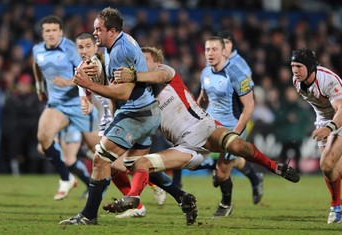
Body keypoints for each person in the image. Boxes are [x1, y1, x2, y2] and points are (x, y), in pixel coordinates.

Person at [101, 46, 300, 221]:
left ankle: (275, 167)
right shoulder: (138, 91)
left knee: (237, 146)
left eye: (145, 60)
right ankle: (134, 197)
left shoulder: (165, 71)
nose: (141, 64)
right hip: (182, 146)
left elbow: (160, 77)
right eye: (138, 62)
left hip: (203, 128)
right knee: (140, 163)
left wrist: (133, 75)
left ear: (158, 62)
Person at [59, 8, 186, 226]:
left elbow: (123, 92)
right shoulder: (116, 44)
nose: (95, 33)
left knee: (101, 158)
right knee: (134, 164)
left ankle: (89, 215)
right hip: (143, 111)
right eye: (94, 29)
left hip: (137, 113)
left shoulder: (120, 51)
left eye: (98, 29)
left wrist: (89, 85)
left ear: (112, 30)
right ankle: (183, 197)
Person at [32, 15, 98, 200]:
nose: (51, 34)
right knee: (43, 139)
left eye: (54, 30)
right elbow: (36, 64)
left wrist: (68, 82)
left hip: (79, 104)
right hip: (56, 105)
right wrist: (39, 86)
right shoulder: (37, 50)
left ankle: (147, 179)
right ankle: (66, 178)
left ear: (61, 32)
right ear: (43, 33)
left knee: (102, 151)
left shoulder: (71, 48)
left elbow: (86, 72)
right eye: (47, 31)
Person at [197, 31, 264, 216]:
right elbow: (203, 99)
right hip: (211, 126)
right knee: (187, 154)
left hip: (232, 128)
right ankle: (253, 175)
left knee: (221, 173)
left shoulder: (237, 72)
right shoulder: (205, 72)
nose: (210, 53)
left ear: (225, 51)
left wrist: (235, 133)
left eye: (215, 49)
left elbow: (249, 106)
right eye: (207, 49)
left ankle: (226, 205)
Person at [290, 48, 342, 224]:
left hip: (339, 118)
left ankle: (335, 206)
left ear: (311, 67)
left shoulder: (328, 80)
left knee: (327, 163)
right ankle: (337, 207)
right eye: (293, 66)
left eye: (299, 66)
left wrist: (330, 128)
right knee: (329, 170)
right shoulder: (297, 82)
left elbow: (340, 109)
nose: (295, 70)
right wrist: (324, 125)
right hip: (323, 120)